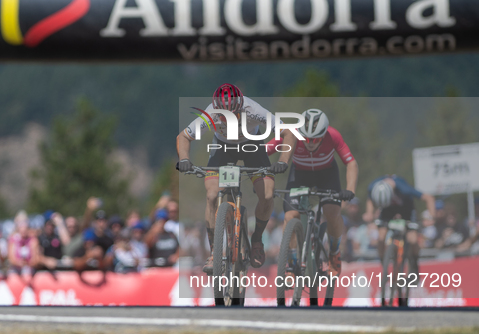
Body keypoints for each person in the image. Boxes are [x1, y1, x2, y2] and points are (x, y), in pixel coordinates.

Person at [176, 83, 297, 273]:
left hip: (252, 146)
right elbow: (183, 136)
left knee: (266, 195)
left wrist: (283, 160)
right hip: (223, 148)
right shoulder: (212, 113)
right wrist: (184, 159)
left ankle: (256, 239)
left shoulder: (253, 109)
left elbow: (288, 132)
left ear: (241, 107)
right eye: (224, 117)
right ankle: (215, 251)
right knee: (212, 196)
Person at [265, 109, 359, 276]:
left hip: (327, 175)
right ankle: (292, 262)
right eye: (305, 138)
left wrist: (350, 190)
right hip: (300, 174)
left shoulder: (333, 136)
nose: (309, 142)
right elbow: (267, 149)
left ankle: (334, 252)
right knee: (290, 216)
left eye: (314, 139)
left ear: (323, 135)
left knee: (332, 212)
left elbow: (351, 163)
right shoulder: (293, 133)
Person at [363, 175, 436, 275]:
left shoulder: (404, 189)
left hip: (406, 209)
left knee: (413, 239)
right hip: (387, 210)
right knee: (381, 237)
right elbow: (370, 199)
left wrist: (432, 217)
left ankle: (414, 264)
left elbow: (429, 198)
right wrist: (369, 213)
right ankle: (383, 265)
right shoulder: (373, 187)